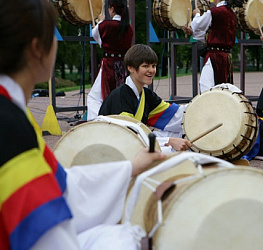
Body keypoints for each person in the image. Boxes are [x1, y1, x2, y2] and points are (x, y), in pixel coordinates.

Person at [0, 1, 165, 249]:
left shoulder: (13, 114)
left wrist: (129, 167)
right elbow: (45, 233)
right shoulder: (11, 128)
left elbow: (58, 186)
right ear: (37, 49)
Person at [99, 44, 193, 152]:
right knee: (171, 147)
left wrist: (202, 106)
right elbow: (128, 136)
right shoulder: (121, 97)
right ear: (130, 68)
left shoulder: (147, 95)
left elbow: (176, 117)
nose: (151, 70)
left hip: (131, 142)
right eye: (145, 66)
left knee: (182, 132)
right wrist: (169, 141)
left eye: (153, 66)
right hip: (113, 149)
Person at [87, 0, 133, 121]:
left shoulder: (105, 25)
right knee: (119, 96)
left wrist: (100, 22)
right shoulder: (128, 28)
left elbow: (97, 37)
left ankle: (96, 122)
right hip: (123, 66)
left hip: (108, 65)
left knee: (95, 97)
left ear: (112, 8)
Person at [182, 0, 242, 93]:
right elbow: (211, 34)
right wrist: (192, 32)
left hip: (214, 56)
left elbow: (198, 25)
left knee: (205, 87)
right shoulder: (231, 13)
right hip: (225, 57)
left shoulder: (214, 12)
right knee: (222, 88)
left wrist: (197, 15)